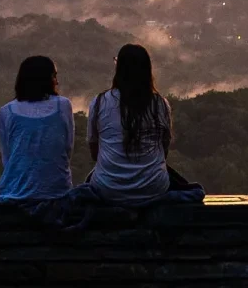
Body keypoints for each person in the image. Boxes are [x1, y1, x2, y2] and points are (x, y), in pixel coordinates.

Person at [80, 43, 199, 204]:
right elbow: (163, 152)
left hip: (109, 189)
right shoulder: (159, 104)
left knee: (91, 178)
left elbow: (95, 153)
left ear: (119, 69)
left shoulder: (100, 102)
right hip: (153, 188)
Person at [0, 55, 75, 200]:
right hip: (58, 193)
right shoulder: (63, 106)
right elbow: (67, 150)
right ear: (45, 79)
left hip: (13, 193)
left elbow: (7, 159)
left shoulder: (6, 111)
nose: (57, 81)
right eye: (54, 76)